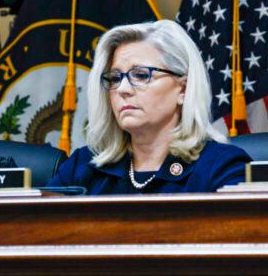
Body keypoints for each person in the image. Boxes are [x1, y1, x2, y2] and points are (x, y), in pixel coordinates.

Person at [48, 20, 251, 194]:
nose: (123, 89)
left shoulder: (221, 167)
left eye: (141, 75)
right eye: (115, 78)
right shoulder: (83, 166)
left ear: (183, 89)